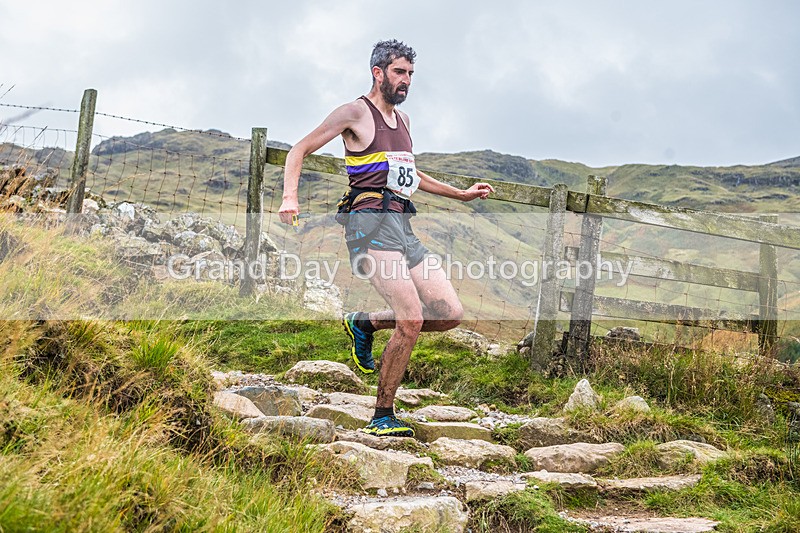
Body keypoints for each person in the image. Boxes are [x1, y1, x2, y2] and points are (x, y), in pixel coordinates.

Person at [279, 39, 494, 437]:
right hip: (367, 224)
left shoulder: (405, 122)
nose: (406, 80)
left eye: (411, 74)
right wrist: (290, 196)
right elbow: (298, 149)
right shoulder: (354, 113)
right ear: (378, 73)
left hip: (401, 225)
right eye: (400, 72)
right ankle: (382, 415)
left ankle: (364, 323)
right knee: (411, 319)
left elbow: (414, 174)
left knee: (448, 312)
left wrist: (461, 194)